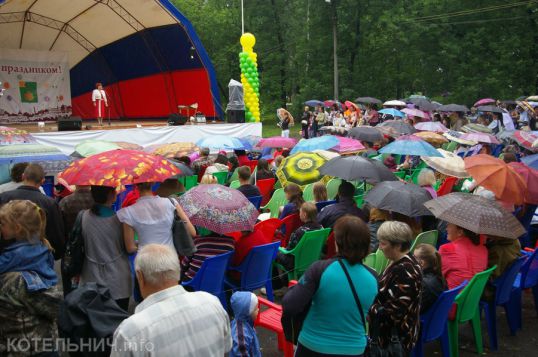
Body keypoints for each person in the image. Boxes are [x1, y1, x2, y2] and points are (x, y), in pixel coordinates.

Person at [111, 244, 231, 356]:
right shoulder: (212, 303)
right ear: (177, 271)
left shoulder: (131, 331)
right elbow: (226, 351)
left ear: (140, 276)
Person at [282, 216, 378, 356]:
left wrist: (293, 290)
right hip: (354, 348)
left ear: (338, 242)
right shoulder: (373, 277)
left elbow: (290, 305)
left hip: (314, 345)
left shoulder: (319, 269)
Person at [0, 200, 62, 355]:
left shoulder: (15, 255)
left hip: (26, 347)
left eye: (2, 224)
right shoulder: (43, 245)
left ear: (17, 228)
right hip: (44, 341)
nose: (1, 228)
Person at [369, 221, 422, 355]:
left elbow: (393, 313)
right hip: (400, 334)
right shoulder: (406, 262)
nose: (380, 248)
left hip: (394, 339)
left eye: (383, 243)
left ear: (397, 245)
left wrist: (368, 308)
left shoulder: (404, 271)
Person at [79, 186, 132, 311]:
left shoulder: (83, 216)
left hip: (90, 277)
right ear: (110, 195)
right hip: (119, 279)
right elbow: (129, 247)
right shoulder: (121, 219)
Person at [0, 164, 65, 259]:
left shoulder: (3, 197)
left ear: (23, 176)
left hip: (6, 256)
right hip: (38, 257)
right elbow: (56, 234)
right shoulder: (49, 203)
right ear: (43, 181)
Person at [117, 182, 196, 252]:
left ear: (135, 184)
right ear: (153, 182)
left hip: (145, 261)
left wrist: (141, 244)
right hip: (170, 259)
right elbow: (192, 232)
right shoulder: (171, 203)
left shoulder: (127, 212)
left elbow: (130, 248)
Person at [275, 202, 322, 271]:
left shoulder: (299, 232)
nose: (299, 214)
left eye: (300, 212)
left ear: (305, 215)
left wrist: (281, 249)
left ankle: (281, 278)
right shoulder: (321, 228)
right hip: (312, 260)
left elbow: (289, 251)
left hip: (295, 263)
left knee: (275, 251)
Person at [439, 224, 488, 289]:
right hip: (473, 296)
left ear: (460, 232)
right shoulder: (483, 250)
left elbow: (438, 274)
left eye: (449, 225)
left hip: (452, 296)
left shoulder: (446, 249)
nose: (446, 229)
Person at [483, 235, 521, 300]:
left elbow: (490, 275)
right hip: (505, 283)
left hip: (491, 290)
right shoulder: (515, 241)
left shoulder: (497, 251)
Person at [413, 244, 446, 313]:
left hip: (421, 319)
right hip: (435, 316)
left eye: (414, 257)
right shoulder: (439, 276)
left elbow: (414, 309)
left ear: (421, 263)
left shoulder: (424, 283)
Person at [230, 291, 261, 357]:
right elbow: (241, 354)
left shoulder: (246, 322)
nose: (258, 309)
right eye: (255, 309)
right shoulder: (241, 334)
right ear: (247, 312)